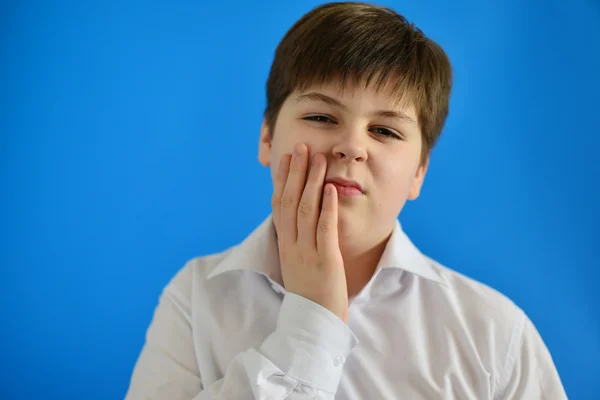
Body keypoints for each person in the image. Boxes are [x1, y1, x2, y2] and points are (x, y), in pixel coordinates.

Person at [125, 2, 567, 399]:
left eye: (385, 131)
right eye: (321, 117)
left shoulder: (494, 333)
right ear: (267, 136)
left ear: (419, 172)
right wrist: (312, 320)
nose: (352, 146)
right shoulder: (197, 298)